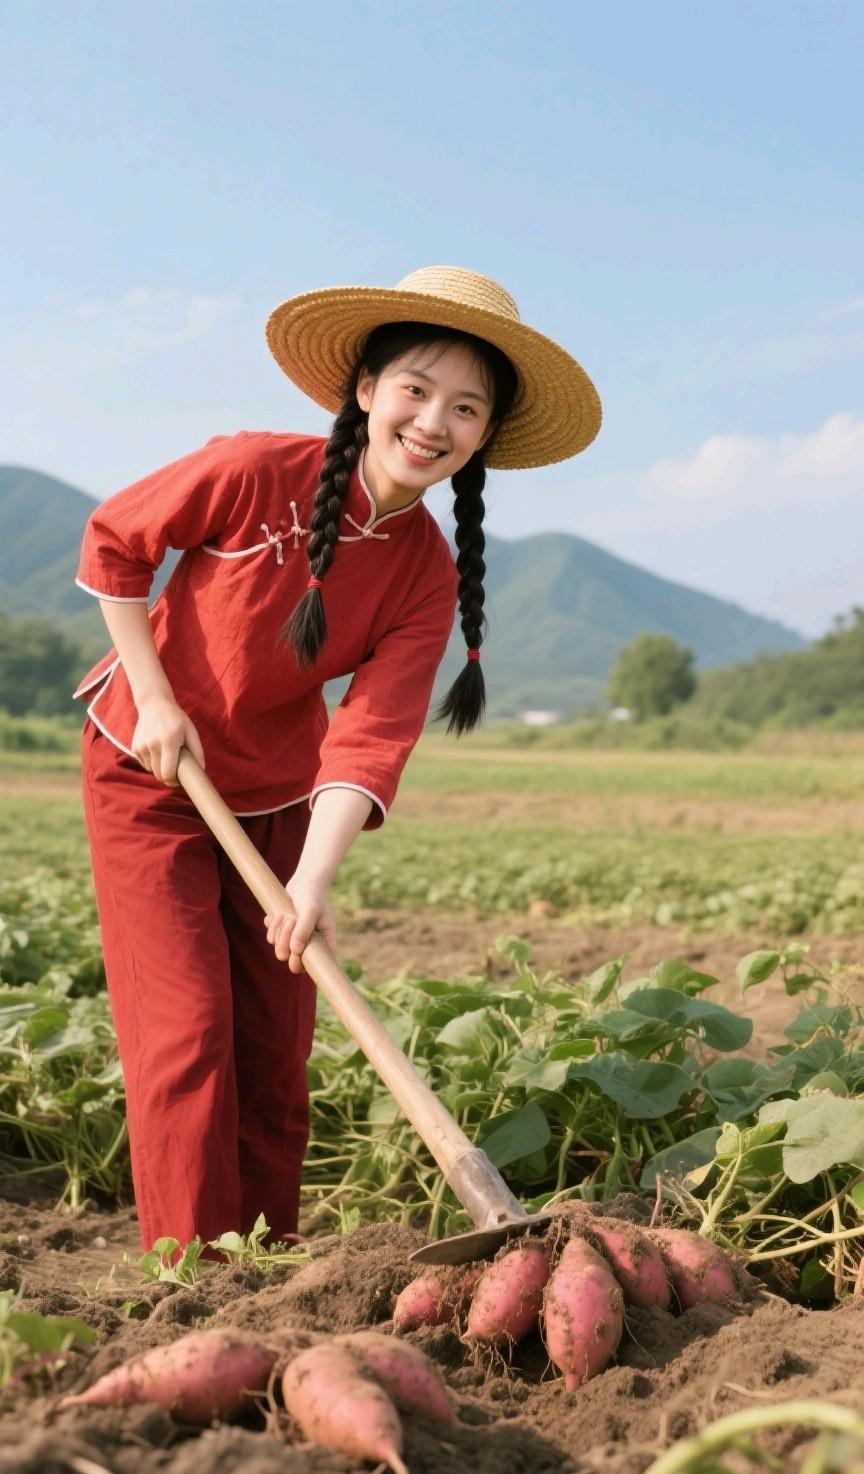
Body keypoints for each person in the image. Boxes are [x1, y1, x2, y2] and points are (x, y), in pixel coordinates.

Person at [73, 265, 601, 1252]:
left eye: (465, 408)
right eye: (415, 389)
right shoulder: (252, 469)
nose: (433, 421)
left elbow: (371, 734)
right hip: (151, 772)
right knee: (187, 1038)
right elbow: (116, 544)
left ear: (483, 436)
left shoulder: (425, 575)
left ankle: (270, 1268)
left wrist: (307, 885)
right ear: (365, 390)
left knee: (277, 1052)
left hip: (279, 800)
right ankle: (186, 1276)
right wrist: (153, 694)